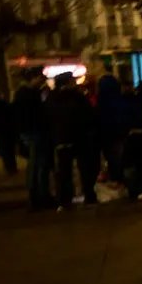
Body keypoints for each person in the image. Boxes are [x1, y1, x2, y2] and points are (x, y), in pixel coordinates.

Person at [44, 72, 99, 209]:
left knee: (64, 172)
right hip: (79, 139)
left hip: (62, 140)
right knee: (84, 169)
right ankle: (89, 195)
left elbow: (47, 120)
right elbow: (88, 116)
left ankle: (65, 199)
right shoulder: (77, 97)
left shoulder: (52, 99)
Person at [13, 69, 52, 209]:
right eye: (40, 78)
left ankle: (39, 195)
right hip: (33, 134)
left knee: (38, 165)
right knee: (38, 166)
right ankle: (38, 196)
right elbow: (34, 116)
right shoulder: (27, 95)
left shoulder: (26, 94)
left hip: (32, 133)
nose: (42, 80)